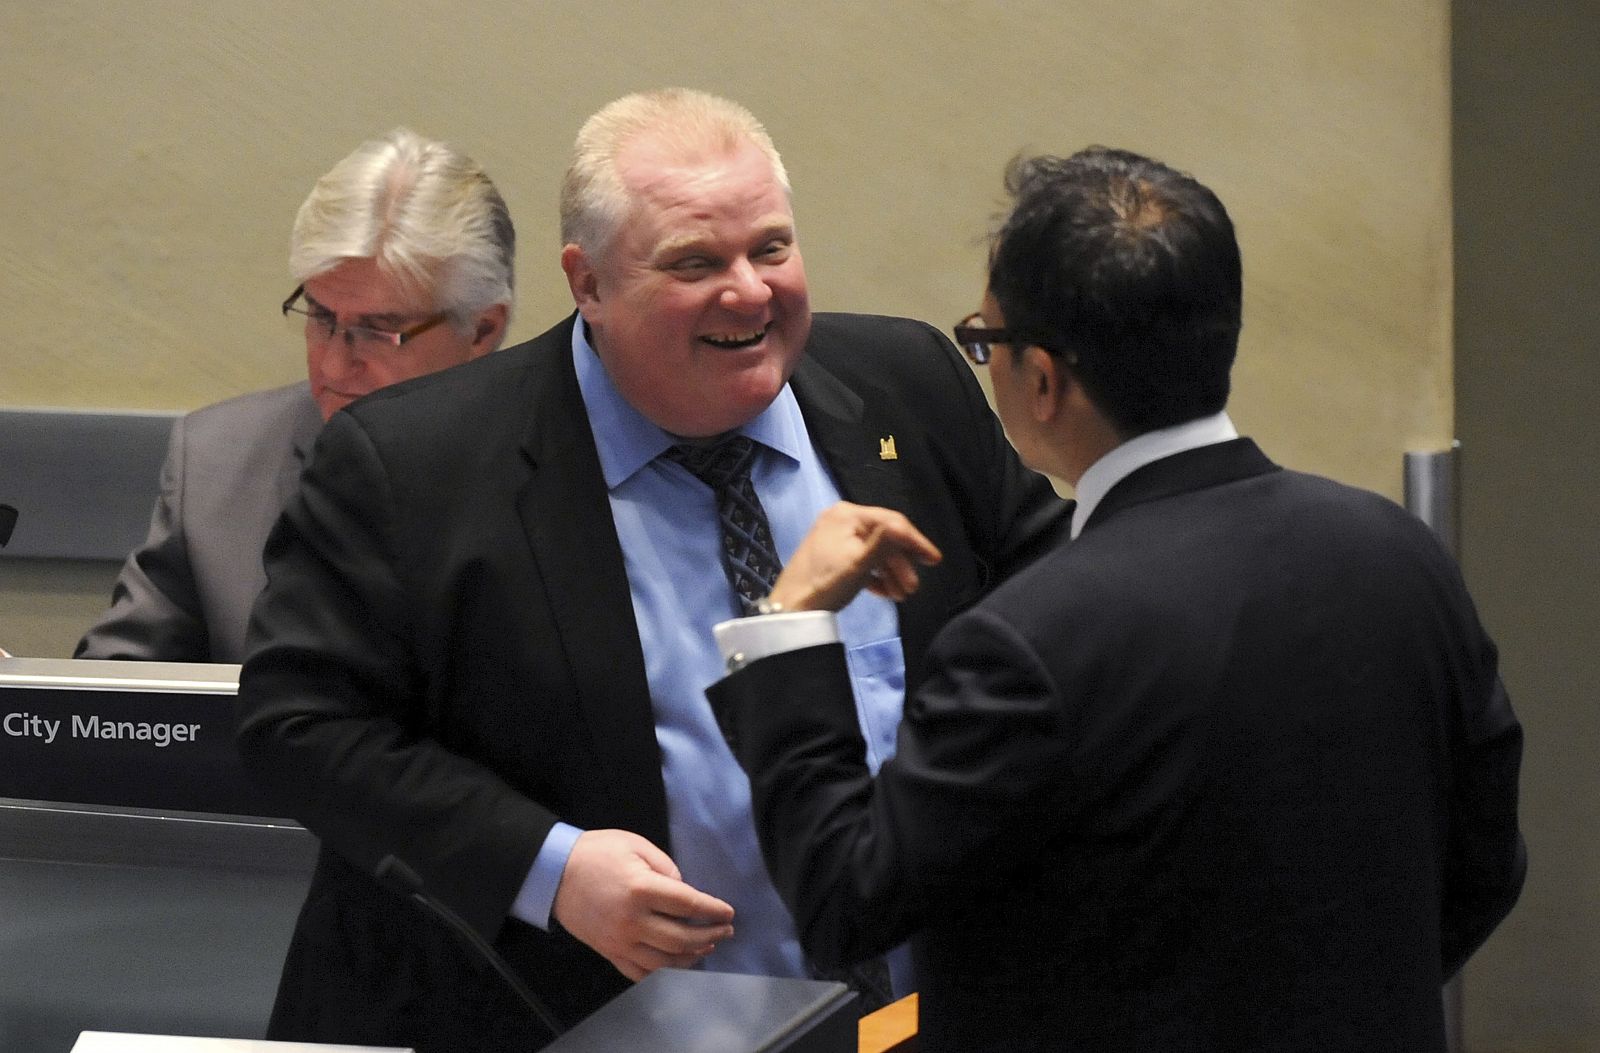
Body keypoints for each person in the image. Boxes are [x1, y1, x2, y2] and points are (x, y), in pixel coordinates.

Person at [233, 88, 1069, 1052]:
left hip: (919, 1022)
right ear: (586, 283)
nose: (750, 292)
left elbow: (1060, 616)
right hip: (576, 1019)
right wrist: (550, 869)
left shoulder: (907, 386)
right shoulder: (414, 463)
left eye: (771, 248)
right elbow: (299, 725)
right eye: (695, 263)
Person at [708, 147, 1527, 1052]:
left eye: (985, 343)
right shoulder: (1397, 555)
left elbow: (846, 902)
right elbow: (1488, 866)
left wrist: (786, 629)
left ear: (1045, 380)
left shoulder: (1027, 643)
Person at [75, 128, 514, 663]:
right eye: (322, 317)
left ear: (483, 331)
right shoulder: (216, 467)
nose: (333, 365)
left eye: (379, 330)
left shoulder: (574, 476)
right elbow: (116, 701)